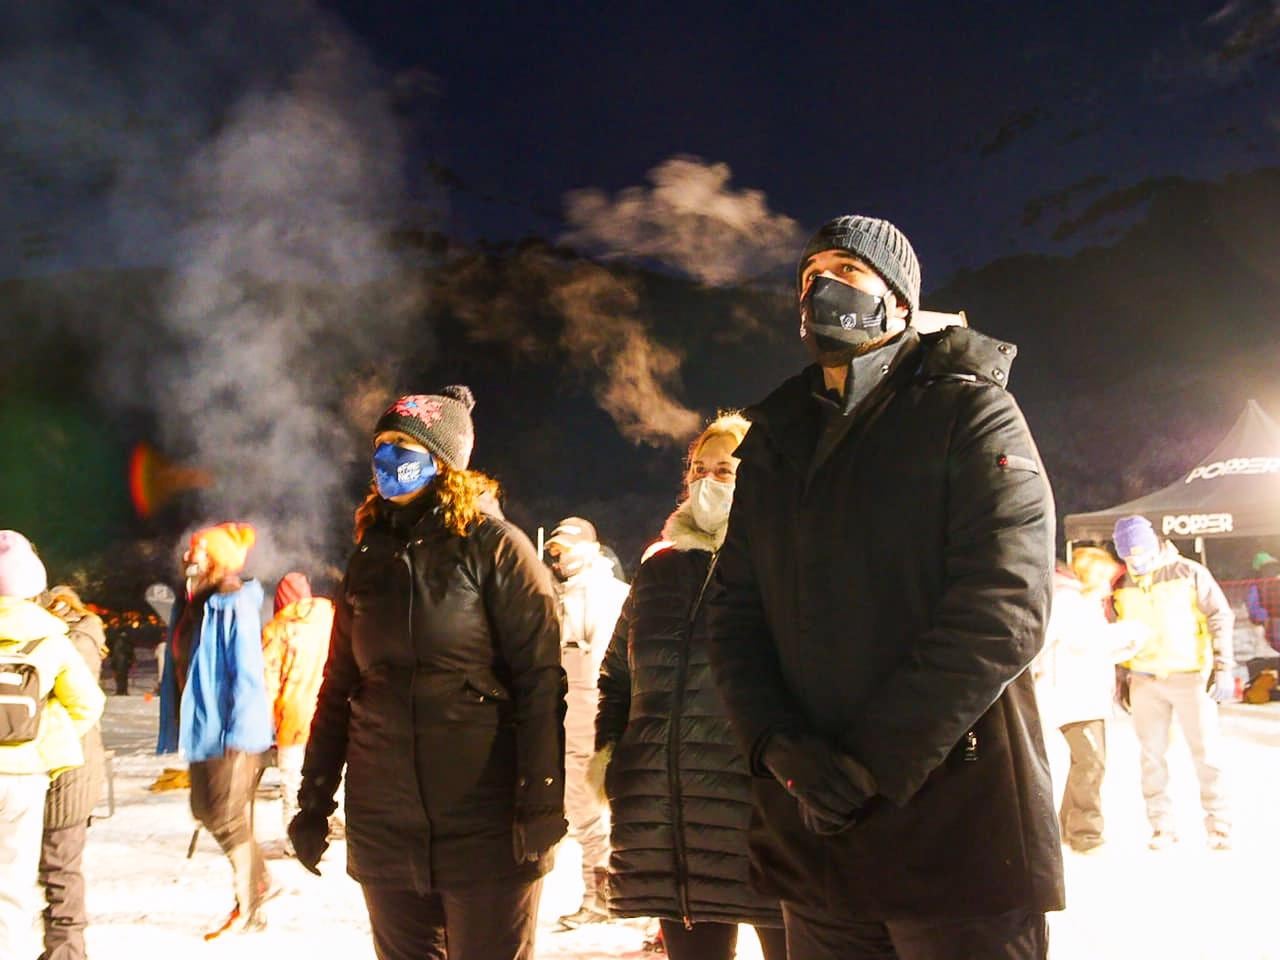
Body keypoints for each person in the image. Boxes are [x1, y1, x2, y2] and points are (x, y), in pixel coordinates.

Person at [705, 215, 1062, 960]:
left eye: (848, 270)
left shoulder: (969, 411)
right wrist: (775, 743)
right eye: (808, 277)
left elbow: (1003, 607)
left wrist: (870, 763)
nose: (822, 288)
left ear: (901, 302)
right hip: (816, 845)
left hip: (953, 834)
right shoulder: (773, 439)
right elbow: (735, 611)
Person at [290, 387, 566, 960]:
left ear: (445, 459)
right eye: (382, 444)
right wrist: (314, 799)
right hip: (386, 825)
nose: (390, 456)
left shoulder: (497, 549)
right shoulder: (369, 557)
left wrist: (540, 797)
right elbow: (339, 689)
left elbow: (540, 684)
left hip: (486, 825)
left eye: (405, 443)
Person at [594, 413, 787, 960]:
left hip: (761, 821)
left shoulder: (785, 562)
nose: (708, 480)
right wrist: (613, 757)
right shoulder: (659, 569)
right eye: (699, 469)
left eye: (725, 468)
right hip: (671, 822)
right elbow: (617, 676)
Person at [160, 522, 274, 938]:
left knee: (224, 815)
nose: (190, 558)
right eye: (190, 552)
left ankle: (250, 899)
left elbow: (245, 671)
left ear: (220, 561)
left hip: (231, 730)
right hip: (204, 727)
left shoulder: (231, 602)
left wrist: (240, 731)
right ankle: (256, 883)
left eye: (200, 553)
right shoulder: (194, 602)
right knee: (210, 810)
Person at [0, 532, 104, 960]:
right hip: (25, 778)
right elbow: (87, 704)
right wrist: (41, 741)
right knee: (14, 883)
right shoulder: (50, 637)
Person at [1110, 515, 1234, 851]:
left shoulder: (1189, 572)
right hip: (1145, 680)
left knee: (1206, 753)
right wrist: (1122, 677)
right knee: (1151, 757)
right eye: (1128, 557)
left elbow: (1220, 615)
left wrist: (1223, 666)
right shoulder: (1122, 584)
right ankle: (1161, 825)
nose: (1135, 561)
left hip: (1190, 677)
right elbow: (1117, 633)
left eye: (1140, 553)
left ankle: (1219, 823)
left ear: (1153, 545)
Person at [542, 516, 628, 929]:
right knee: (584, 812)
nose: (559, 558)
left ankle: (605, 898)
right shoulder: (562, 593)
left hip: (589, 720)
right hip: (568, 720)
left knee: (593, 813)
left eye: (566, 549)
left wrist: (598, 733)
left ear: (590, 548)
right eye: (555, 551)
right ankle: (605, 896)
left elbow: (600, 672)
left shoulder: (601, 595)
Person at [1031, 551, 1143, 855]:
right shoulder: (1069, 602)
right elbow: (1080, 642)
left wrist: (1123, 646)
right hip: (1073, 696)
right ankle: (1085, 834)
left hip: (1085, 694)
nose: (1110, 586)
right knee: (1092, 764)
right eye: (1106, 578)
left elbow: (1089, 649)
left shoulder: (1082, 603)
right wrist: (1125, 633)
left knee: (1086, 763)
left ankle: (1068, 826)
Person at [39, 585, 109, 960]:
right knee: (62, 871)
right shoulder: (84, 635)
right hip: (75, 774)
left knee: (58, 872)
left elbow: (81, 707)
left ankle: (66, 953)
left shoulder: (58, 642)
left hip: (62, 774)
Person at [260, 572, 335, 851]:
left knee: (293, 778)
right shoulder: (330, 620)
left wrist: (263, 722)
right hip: (328, 711)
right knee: (327, 770)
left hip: (292, 715)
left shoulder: (277, 630)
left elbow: (267, 680)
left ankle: (296, 835)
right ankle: (332, 820)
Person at [1246, 551, 1280, 655]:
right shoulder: (1258, 586)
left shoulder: (1257, 586)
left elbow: (1255, 612)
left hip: (1272, 624)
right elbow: (1255, 612)